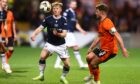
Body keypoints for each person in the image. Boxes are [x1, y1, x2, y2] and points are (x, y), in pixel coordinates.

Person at [84, 3, 129, 84]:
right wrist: (91, 47)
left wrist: (123, 49)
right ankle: (91, 76)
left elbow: (117, 35)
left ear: (102, 12)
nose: (95, 13)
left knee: (93, 63)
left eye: (97, 11)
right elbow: (98, 37)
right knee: (88, 57)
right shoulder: (101, 22)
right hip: (103, 48)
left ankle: (96, 81)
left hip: (110, 50)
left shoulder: (107, 22)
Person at [31, 2, 70, 84]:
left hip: (61, 45)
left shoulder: (64, 20)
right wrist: (34, 34)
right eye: (54, 8)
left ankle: (63, 77)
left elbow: (64, 34)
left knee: (67, 65)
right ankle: (41, 75)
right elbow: (40, 28)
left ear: (60, 10)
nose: (55, 10)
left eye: (57, 8)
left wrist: (58, 34)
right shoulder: (48, 19)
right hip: (50, 44)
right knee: (42, 57)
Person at [54, 0, 87, 69]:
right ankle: (81, 64)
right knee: (75, 47)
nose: (74, 5)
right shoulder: (67, 11)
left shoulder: (74, 13)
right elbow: (62, 20)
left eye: (75, 4)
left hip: (70, 32)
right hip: (67, 32)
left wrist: (82, 30)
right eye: (73, 4)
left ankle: (57, 64)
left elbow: (76, 24)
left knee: (65, 48)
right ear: (70, 5)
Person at [0, 0, 12, 74]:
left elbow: (4, 25)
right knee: (3, 48)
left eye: (6, 2)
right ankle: (5, 65)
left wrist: (7, 36)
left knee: (2, 49)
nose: (5, 3)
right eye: (4, 1)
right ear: (0, 2)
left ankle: (5, 65)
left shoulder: (4, 13)